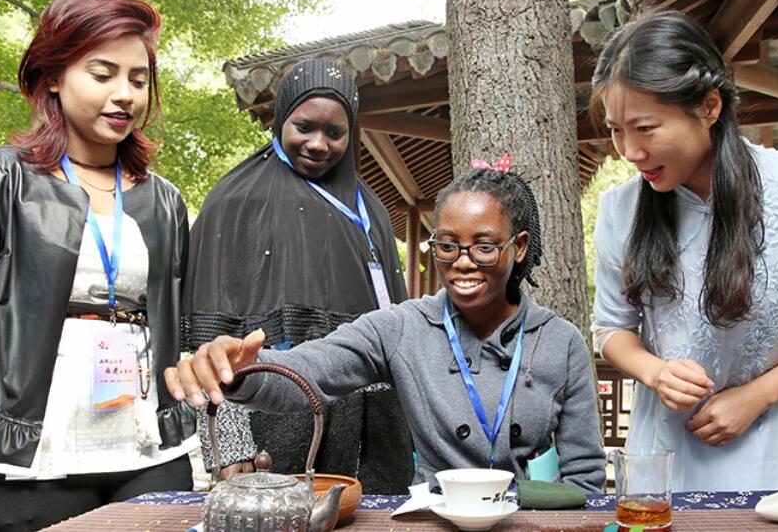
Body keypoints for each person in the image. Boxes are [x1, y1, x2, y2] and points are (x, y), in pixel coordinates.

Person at [168, 163, 608, 493]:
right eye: (447, 246)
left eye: (485, 247)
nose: (463, 263)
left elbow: (585, 478)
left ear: (519, 247)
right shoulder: (403, 327)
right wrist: (242, 369)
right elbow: (312, 370)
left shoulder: (561, 342)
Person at [590, 11, 778, 491]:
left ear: (709, 106)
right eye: (617, 130)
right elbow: (611, 328)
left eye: (645, 128)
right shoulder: (622, 209)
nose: (629, 151)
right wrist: (656, 373)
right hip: (667, 457)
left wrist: (757, 395)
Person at [0, 0, 196, 530]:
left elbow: (188, 326)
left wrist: (229, 441)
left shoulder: (164, 199)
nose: (124, 94)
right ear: (53, 76)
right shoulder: (4, 180)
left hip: (147, 448)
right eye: (102, 74)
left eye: (138, 78)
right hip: (32, 453)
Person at [182, 58, 413, 493]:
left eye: (335, 132)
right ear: (281, 118)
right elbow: (208, 337)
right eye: (304, 126)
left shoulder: (371, 210)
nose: (318, 143)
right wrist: (228, 446)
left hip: (369, 423)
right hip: (270, 414)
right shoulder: (236, 201)